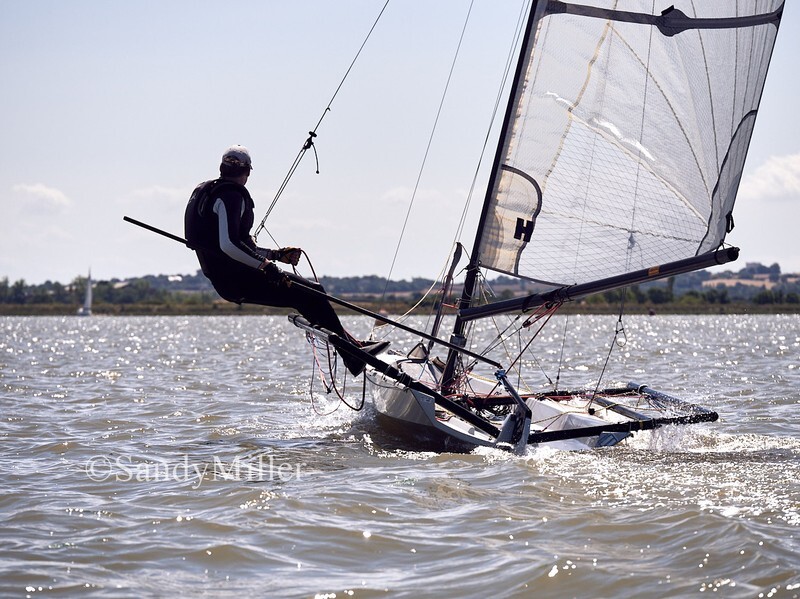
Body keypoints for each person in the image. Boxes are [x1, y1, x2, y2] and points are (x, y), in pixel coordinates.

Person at [184, 145, 386, 374]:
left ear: (223, 167)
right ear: (248, 172)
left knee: (311, 293)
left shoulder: (210, 191)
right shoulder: (230, 196)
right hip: (237, 280)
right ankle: (353, 355)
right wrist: (266, 266)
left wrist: (275, 256)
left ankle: (354, 348)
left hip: (229, 279)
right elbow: (228, 245)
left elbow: (236, 246)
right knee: (312, 294)